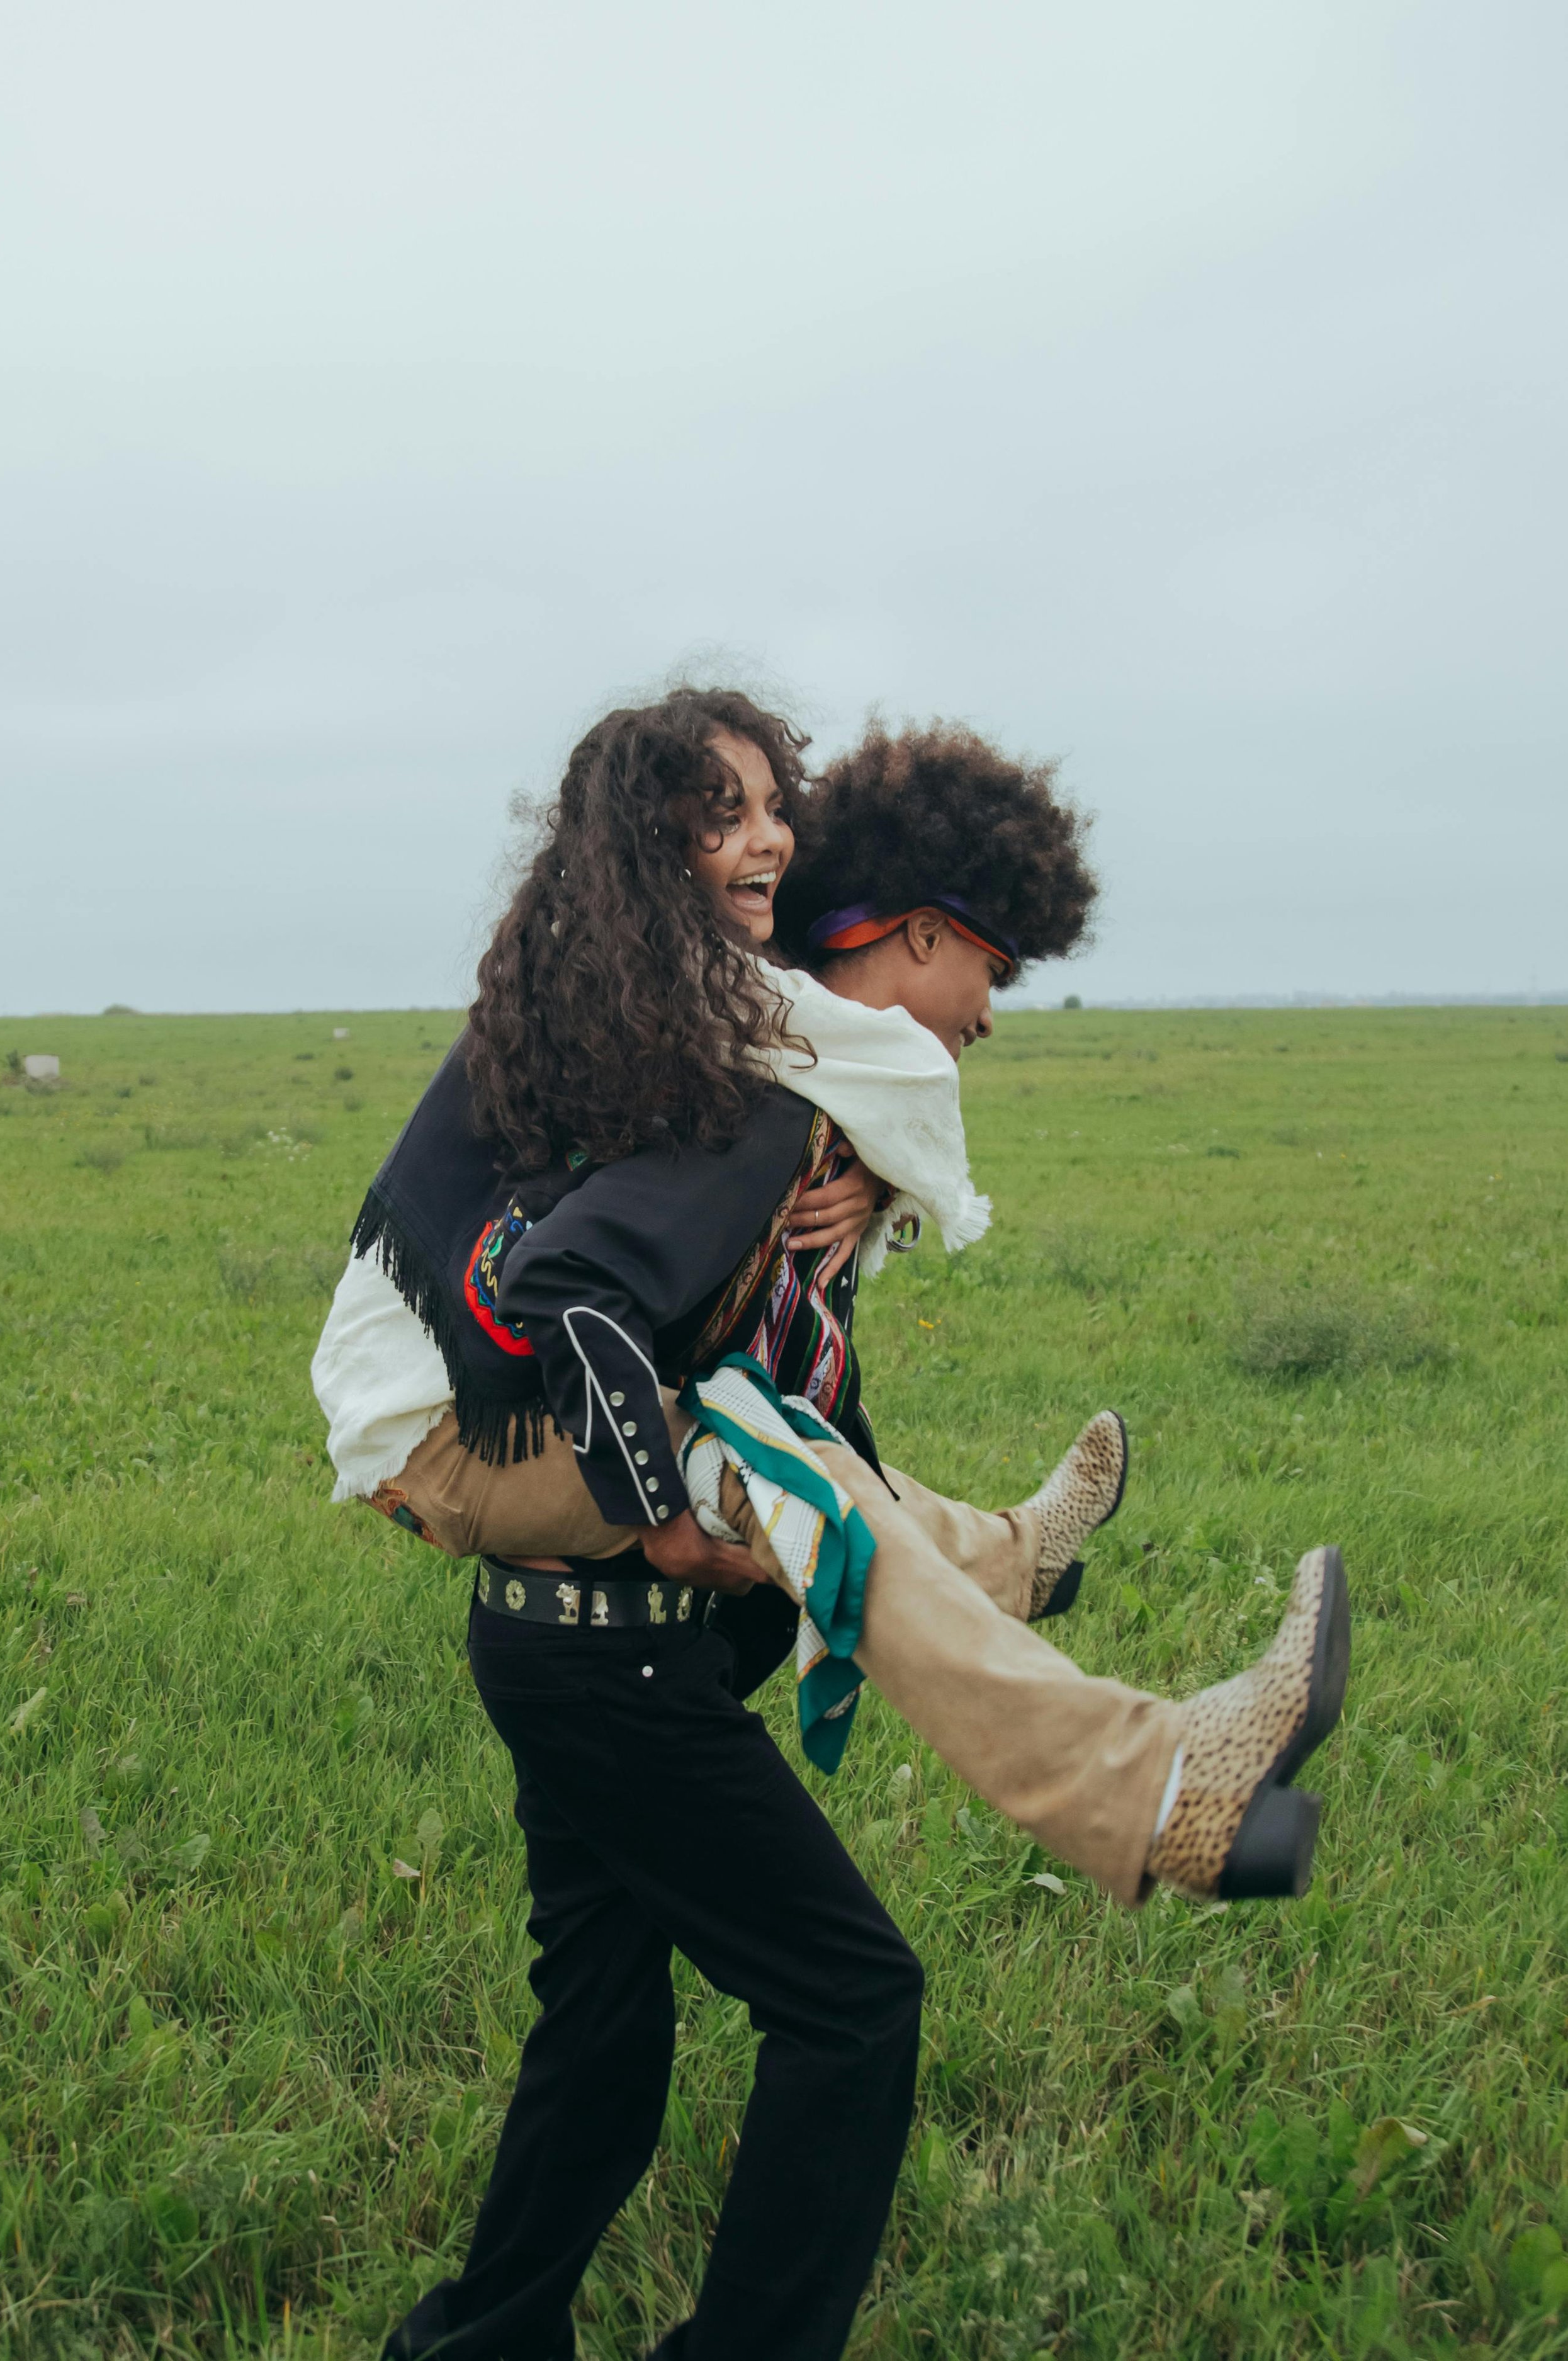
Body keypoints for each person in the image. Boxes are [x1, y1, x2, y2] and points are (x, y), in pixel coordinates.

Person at [311, 689, 1347, 2361]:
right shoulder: (755, 1077)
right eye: (986, 970)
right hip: (579, 1597)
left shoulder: (709, 1053)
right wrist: (659, 1520)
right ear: (913, 937)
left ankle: (470, 2348)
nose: (991, 1017)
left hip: (559, 1631)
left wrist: (847, 1201)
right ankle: (1154, 1782)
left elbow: (710, 1309)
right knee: (853, 1994)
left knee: (598, 2032)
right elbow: (581, 1295)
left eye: (771, 814)